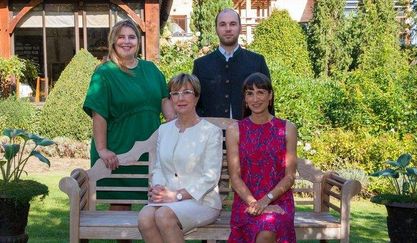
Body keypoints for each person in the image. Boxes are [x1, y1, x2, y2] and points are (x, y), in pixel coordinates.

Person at [83, 19, 175, 220]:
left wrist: (177, 128)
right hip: (117, 151)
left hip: (151, 150)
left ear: (138, 41)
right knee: (120, 205)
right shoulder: (104, 73)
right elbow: (98, 114)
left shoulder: (151, 70)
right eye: (121, 37)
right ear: (113, 41)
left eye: (131, 37)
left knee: (156, 203)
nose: (127, 41)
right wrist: (102, 150)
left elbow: (165, 102)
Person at [138, 73, 223, 243]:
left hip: (202, 201)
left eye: (186, 93)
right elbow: (159, 167)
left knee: (164, 216)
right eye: (175, 94)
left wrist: (176, 196)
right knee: (144, 217)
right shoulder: (164, 130)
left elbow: (210, 178)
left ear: (197, 97)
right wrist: (158, 189)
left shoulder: (211, 132)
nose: (180, 98)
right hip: (168, 199)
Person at [226, 72, 297, 242]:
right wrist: (254, 203)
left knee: (268, 229)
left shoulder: (287, 128)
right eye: (250, 93)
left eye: (261, 92)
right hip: (246, 200)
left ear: (270, 96)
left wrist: (265, 201)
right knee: (263, 229)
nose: (255, 99)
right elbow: (234, 177)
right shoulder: (235, 130)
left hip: (279, 201)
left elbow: (290, 176)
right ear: (245, 98)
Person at [192, 8, 271, 120]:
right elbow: (195, 104)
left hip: (250, 133)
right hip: (212, 134)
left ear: (240, 28)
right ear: (216, 29)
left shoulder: (257, 62)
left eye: (233, 24)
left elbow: (268, 101)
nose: (228, 29)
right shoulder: (201, 65)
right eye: (222, 24)